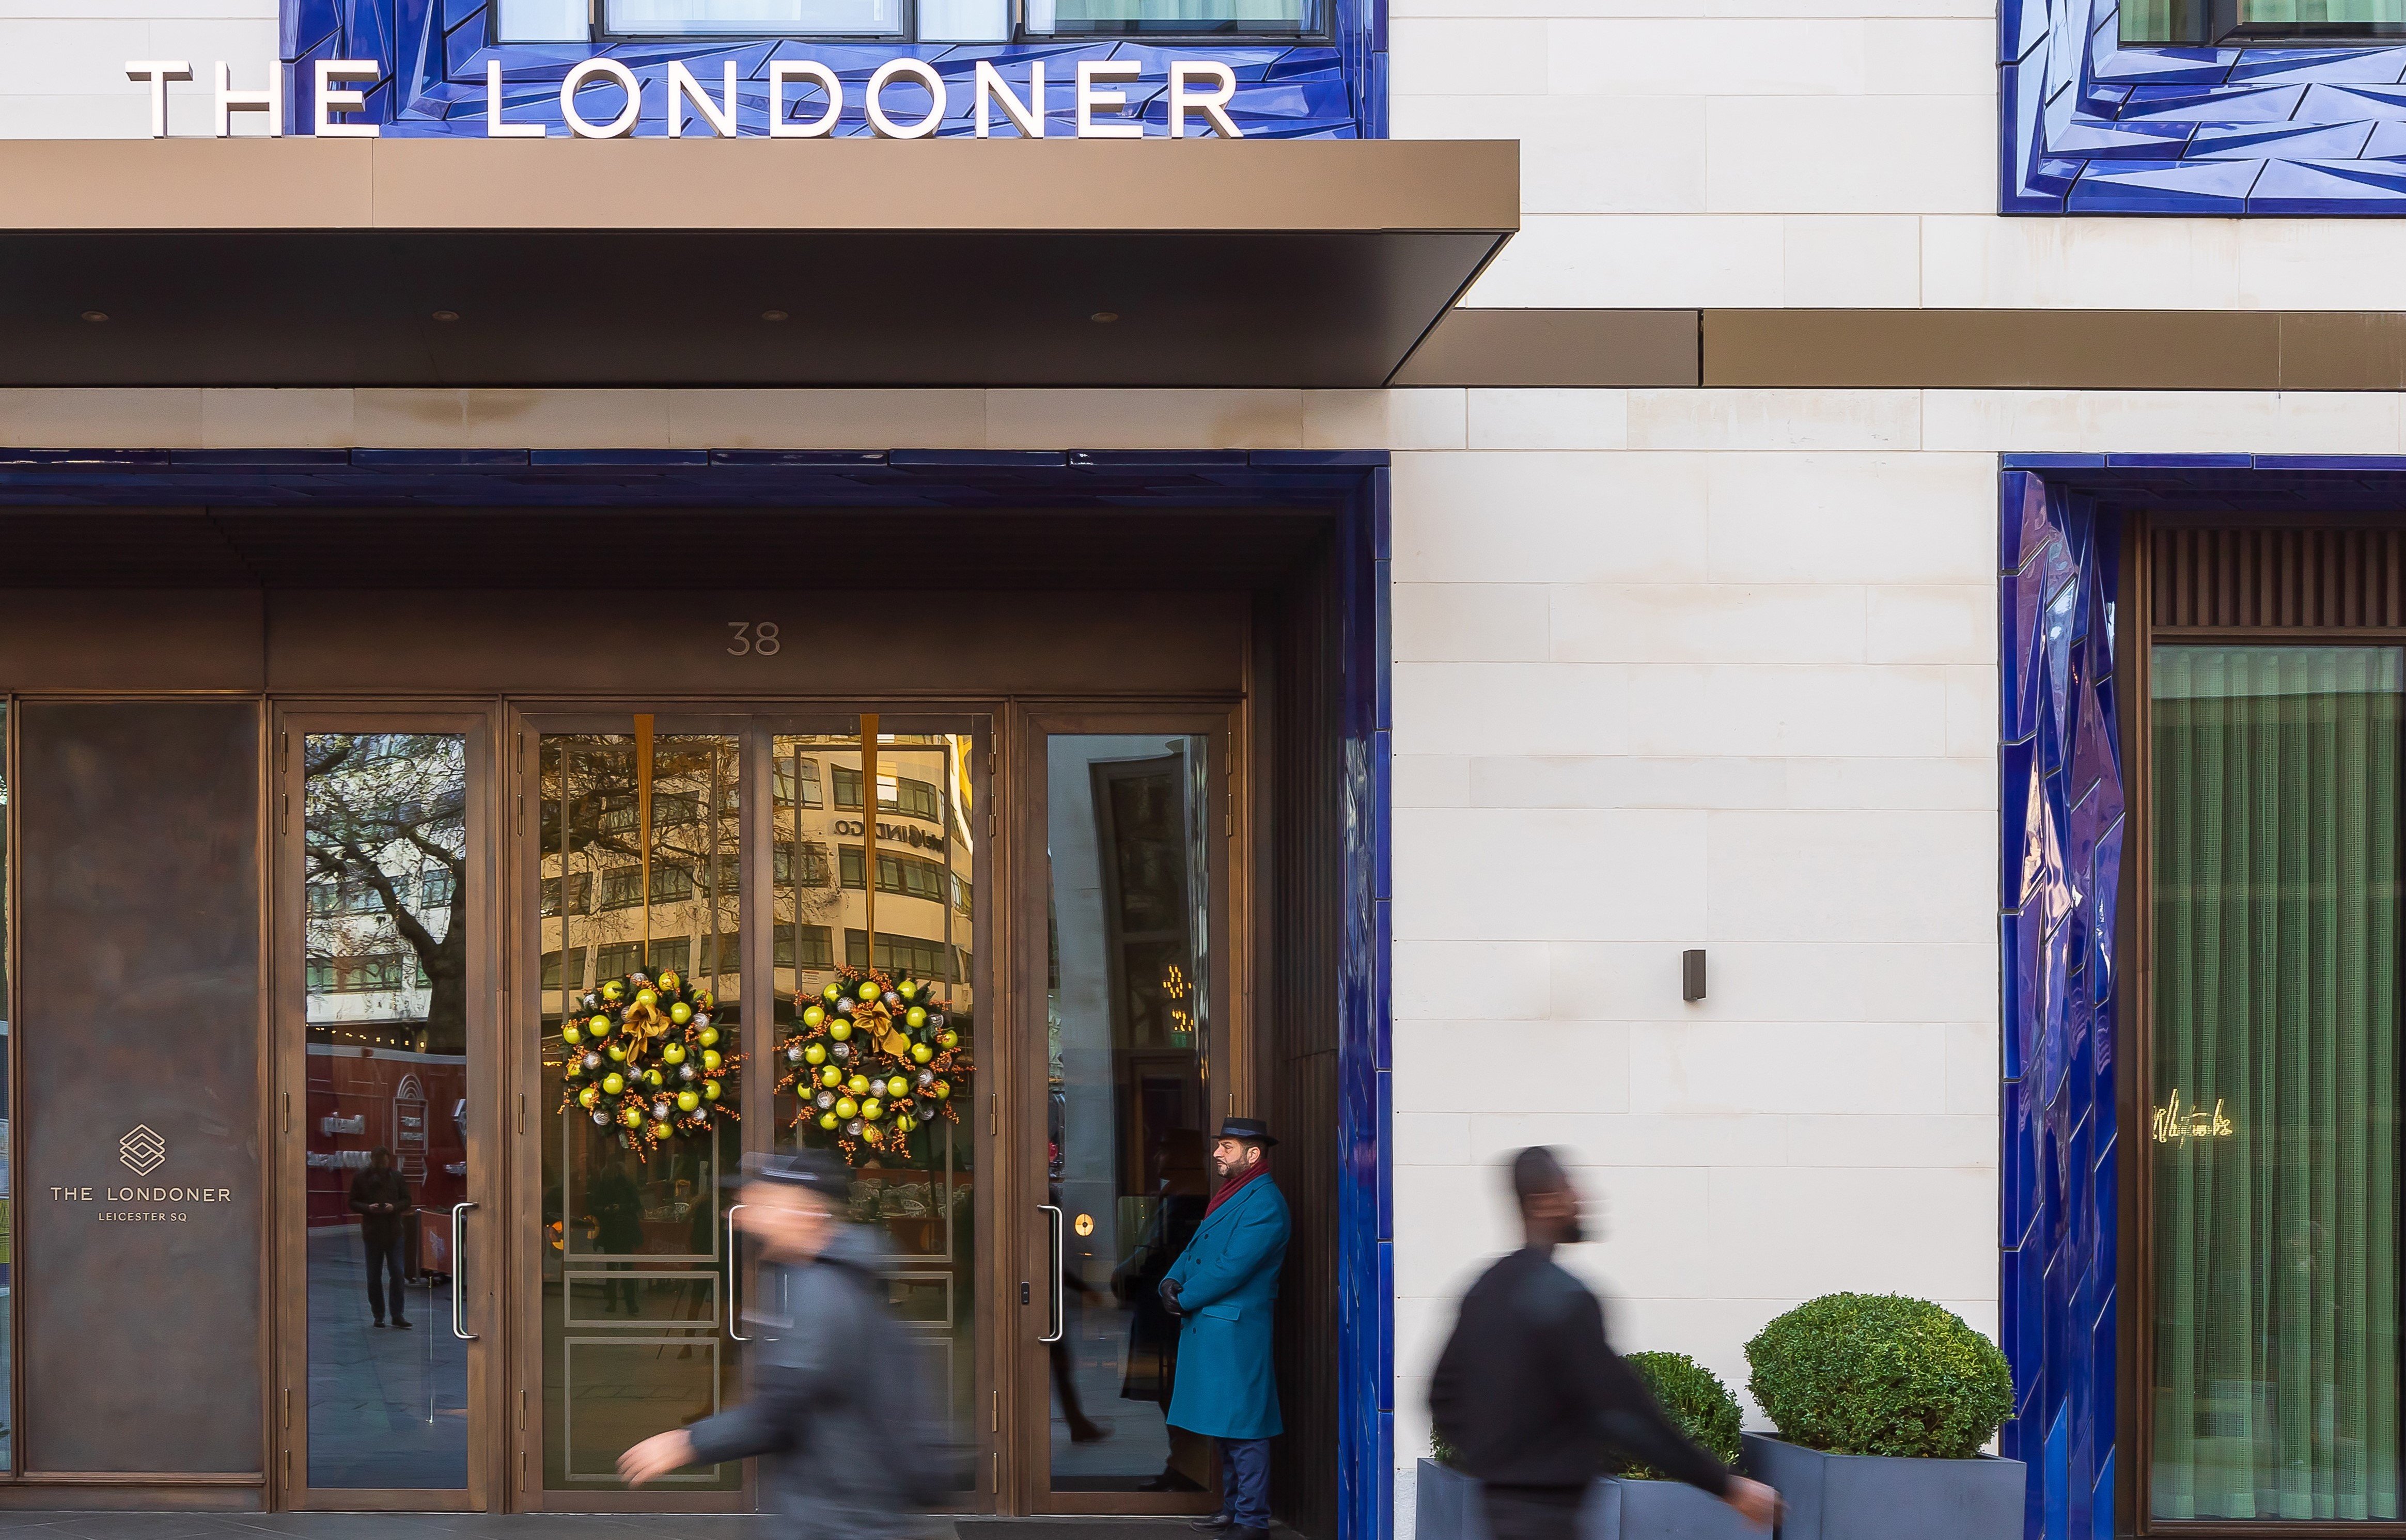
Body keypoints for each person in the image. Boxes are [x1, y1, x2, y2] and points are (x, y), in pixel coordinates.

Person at [1429, 1148, 1779, 1540]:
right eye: (1568, 1187)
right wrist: (1728, 1487)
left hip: (1501, 1513)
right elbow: (1626, 1415)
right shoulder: (1566, 1299)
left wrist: (1497, 1460)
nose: (1580, 1199)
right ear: (1542, 1203)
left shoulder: (1485, 1290)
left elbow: (1441, 1395)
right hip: (1549, 1522)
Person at [617, 1151, 935, 1539]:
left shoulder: (823, 1290)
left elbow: (783, 1408)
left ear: (807, 1211)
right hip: (838, 1505)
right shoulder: (824, 1276)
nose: (742, 1215)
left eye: (763, 1202)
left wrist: (687, 1443)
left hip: (838, 1516)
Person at [1160, 1117, 1289, 1540]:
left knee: (1245, 1430)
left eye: (1228, 1147)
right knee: (1226, 1428)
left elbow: (1232, 1266)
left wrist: (1185, 1297)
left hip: (1236, 1332)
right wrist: (1170, 1281)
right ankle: (1234, 1510)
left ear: (1253, 1156)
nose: (1217, 1152)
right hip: (1216, 1328)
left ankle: (1253, 1521)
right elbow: (1198, 1248)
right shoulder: (1234, 1194)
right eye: (1219, 1145)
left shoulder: (1265, 1203)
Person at [347, 1145, 413, 1330]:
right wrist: (370, 1208)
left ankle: (393, 1314)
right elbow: (352, 1202)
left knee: (396, 1274)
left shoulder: (396, 1178)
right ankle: (382, 1315)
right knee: (375, 1277)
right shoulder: (362, 1178)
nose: (381, 1164)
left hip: (390, 1232)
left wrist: (392, 1207)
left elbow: (407, 1200)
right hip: (375, 1233)